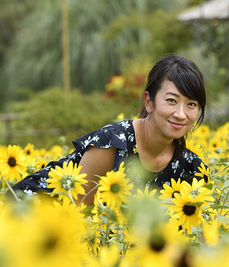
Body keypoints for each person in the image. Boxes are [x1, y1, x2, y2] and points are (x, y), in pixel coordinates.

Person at [11, 54, 208, 205]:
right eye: (172, 101)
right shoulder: (113, 143)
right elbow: (79, 214)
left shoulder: (192, 168)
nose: (181, 114)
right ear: (149, 102)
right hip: (30, 213)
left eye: (191, 104)